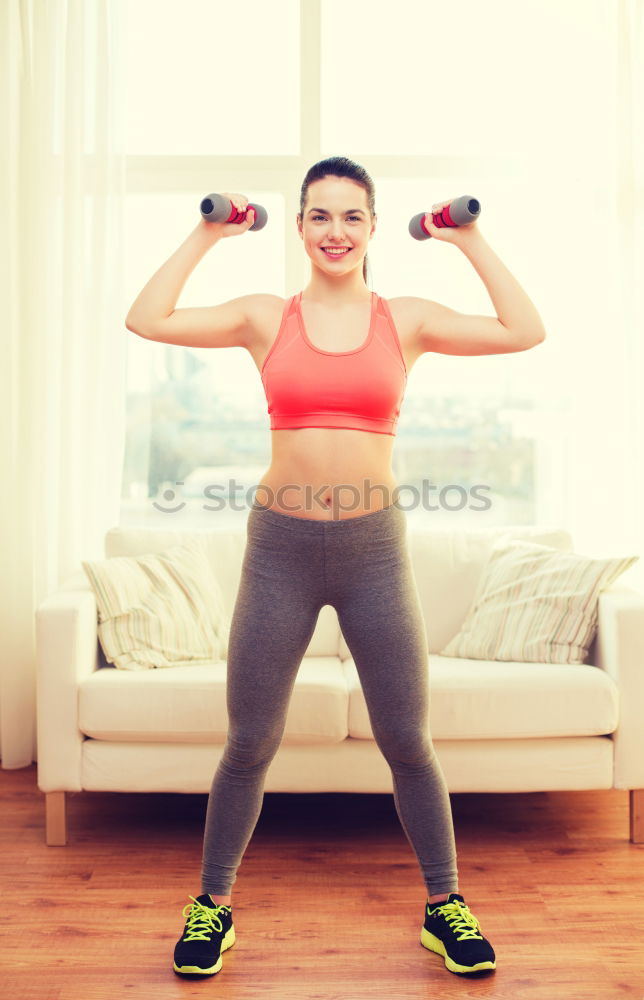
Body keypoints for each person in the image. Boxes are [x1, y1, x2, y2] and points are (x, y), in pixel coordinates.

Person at [125, 156, 546, 979]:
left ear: (374, 229)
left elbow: (524, 330)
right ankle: (212, 906)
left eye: (352, 217)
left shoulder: (407, 319)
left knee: (407, 741)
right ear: (300, 228)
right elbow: (146, 317)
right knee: (250, 740)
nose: (335, 232)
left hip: (373, 553)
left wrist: (469, 238)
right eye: (319, 216)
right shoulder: (263, 316)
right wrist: (208, 232)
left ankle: (444, 905)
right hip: (279, 550)